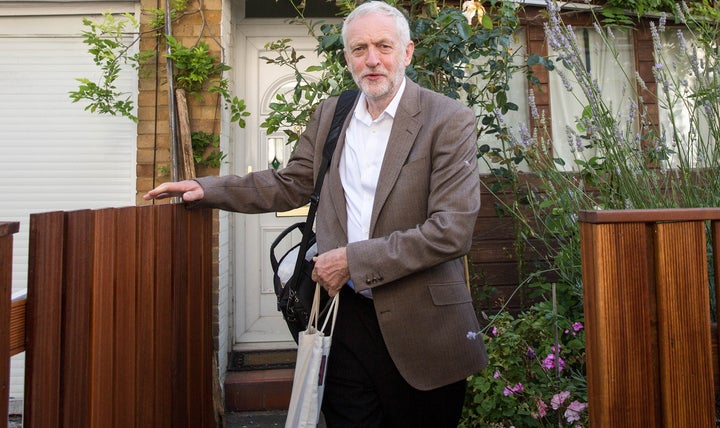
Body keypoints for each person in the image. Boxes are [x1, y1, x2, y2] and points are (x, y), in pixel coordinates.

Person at [144, 1, 488, 426]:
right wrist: (208, 188)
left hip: (424, 327)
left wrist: (351, 261)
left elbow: (451, 230)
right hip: (342, 320)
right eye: (359, 49)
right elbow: (291, 182)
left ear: (407, 53)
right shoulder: (333, 114)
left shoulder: (447, 119)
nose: (372, 59)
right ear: (347, 58)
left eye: (384, 46)